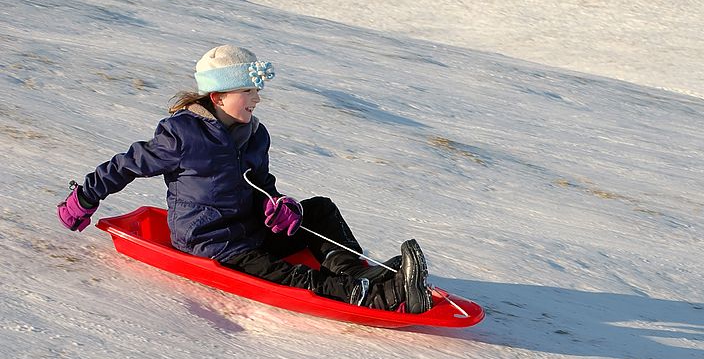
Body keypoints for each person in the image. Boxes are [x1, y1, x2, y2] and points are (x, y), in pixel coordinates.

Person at [56, 45, 432, 313]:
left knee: (319, 209)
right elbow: (125, 165)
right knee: (287, 275)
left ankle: (364, 277)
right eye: (249, 91)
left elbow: (260, 181)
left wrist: (277, 202)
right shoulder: (181, 135)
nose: (257, 99)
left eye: (257, 91)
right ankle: (375, 297)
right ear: (218, 97)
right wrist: (85, 197)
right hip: (214, 242)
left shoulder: (255, 133)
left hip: (250, 227)